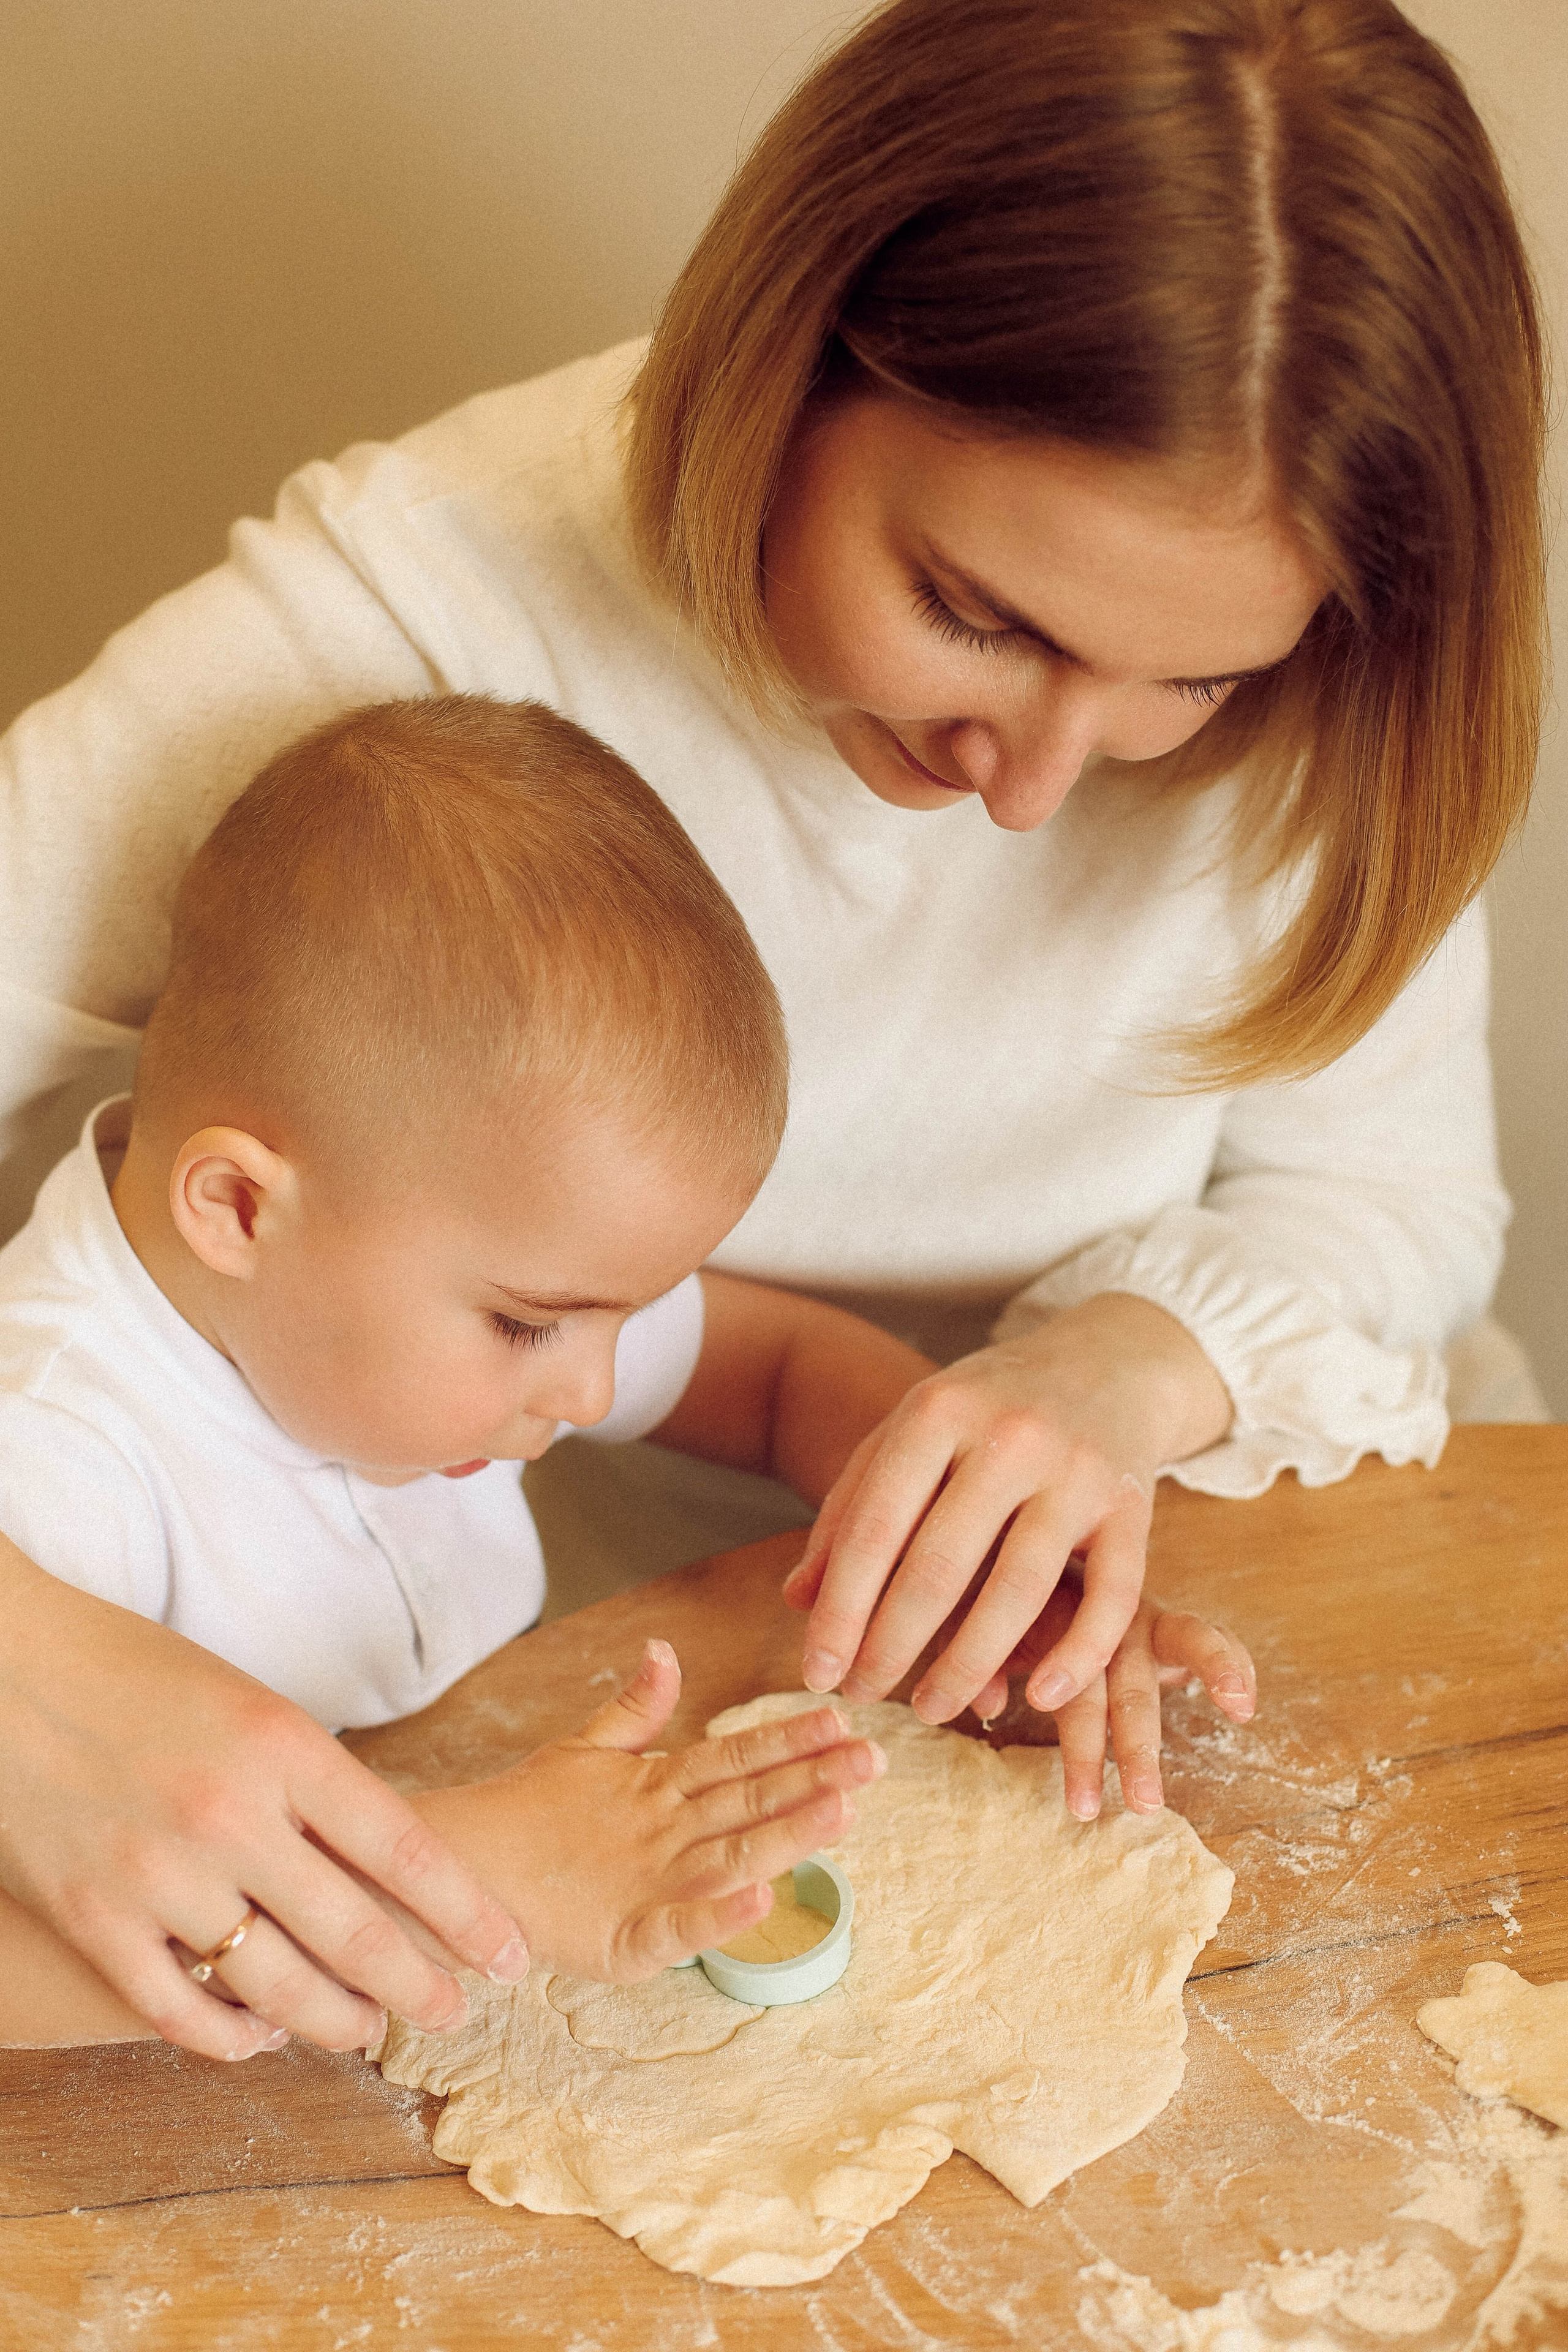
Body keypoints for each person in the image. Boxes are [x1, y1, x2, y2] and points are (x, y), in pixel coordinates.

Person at [0, 0, 1542, 2052]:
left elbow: (1399, 1210)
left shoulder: (1344, 694)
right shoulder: (412, 622)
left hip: (1135, 1583)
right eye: (981, 616)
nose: (1036, 787)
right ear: (789, 358)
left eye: (1193, 691)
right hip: (591, 1669)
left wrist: (1100, 1387)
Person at [0, 693, 1256, 2048]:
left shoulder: (432, 1250)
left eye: (623, 1317)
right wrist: (470, 1877)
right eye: (531, 1328)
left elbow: (776, 1370)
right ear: (240, 1211)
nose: (594, 1395)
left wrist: (969, 1557)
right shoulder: (53, 1456)